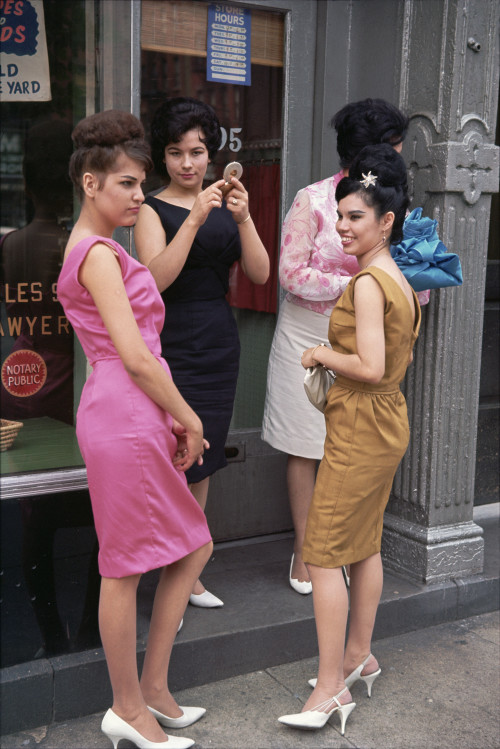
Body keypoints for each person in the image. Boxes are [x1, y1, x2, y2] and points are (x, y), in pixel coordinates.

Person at [57, 110, 214, 749]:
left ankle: (150, 689)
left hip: (131, 412)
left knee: (190, 546)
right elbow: (137, 356)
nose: (136, 195)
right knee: (124, 567)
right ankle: (128, 705)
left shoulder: (104, 248)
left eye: (139, 184)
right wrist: (190, 416)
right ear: (90, 183)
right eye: (124, 183)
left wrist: (170, 414)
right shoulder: (94, 253)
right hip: (126, 412)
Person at [278, 143, 421, 735]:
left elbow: (366, 363)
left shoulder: (367, 284)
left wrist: (317, 351)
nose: (342, 226)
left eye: (355, 216)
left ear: (387, 221)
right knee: (364, 544)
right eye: (339, 215)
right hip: (386, 419)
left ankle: (332, 687)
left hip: (362, 419)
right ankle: (360, 654)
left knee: (323, 552)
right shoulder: (400, 280)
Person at [261, 98, 428, 594]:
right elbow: (290, 275)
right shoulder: (312, 201)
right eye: (394, 146)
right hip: (309, 335)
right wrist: (358, 284)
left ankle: (345, 550)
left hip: (366, 342)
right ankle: (305, 552)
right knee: (305, 445)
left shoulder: (390, 205)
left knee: (348, 450)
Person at [134, 97, 269, 608]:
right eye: (174, 152)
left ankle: (189, 571)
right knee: (172, 456)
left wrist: (246, 217)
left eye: (196, 151)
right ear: (162, 156)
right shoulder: (150, 208)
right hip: (170, 345)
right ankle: (171, 572)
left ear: (211, 152)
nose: (187, 164)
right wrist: (193, 218)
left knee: (205, 459)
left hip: (218, 340)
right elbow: (154, 281)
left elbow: (258, 273)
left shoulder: (227, 202)